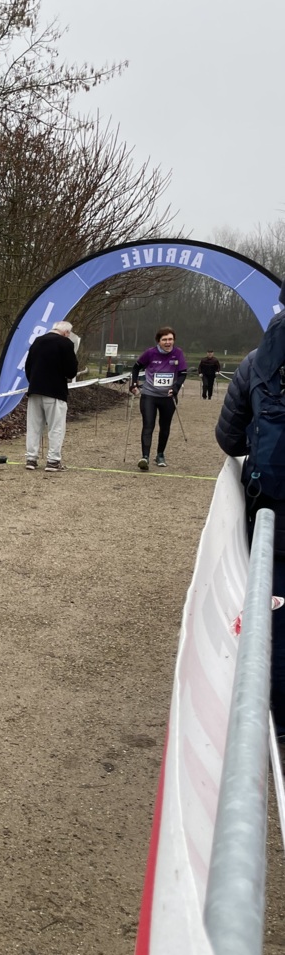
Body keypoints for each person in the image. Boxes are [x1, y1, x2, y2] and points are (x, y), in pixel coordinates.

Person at [215, 304, 285, 740]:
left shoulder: (257, 363)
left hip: (271, 512)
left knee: (272, 609)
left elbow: (229, 437)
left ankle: (274, 717)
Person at [23, 320, 79, 472]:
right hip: (55, 391)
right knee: (56, 427)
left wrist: (34, 381)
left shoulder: (37, 341)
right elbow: (71, 371)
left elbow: (28, 366)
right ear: (66, 333)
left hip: (35, 390)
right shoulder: (66, 343)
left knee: (34, 427)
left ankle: (31, 458)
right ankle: (53, 461)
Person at [130, 327, 188, 471]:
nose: (168, 342)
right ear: (158, 341)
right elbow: (136, 367)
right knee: (148, 425)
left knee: (165, 426)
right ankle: (145, 457)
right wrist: (134, 383)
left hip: (168, 397)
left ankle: (160, 454)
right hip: (149, 395)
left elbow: (183, 373)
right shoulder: (150, 353)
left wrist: (176, 387)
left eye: (170, 339)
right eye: (164, 340)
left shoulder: (178, 353)